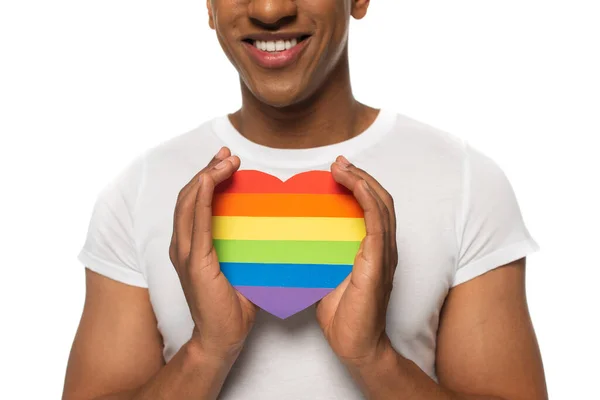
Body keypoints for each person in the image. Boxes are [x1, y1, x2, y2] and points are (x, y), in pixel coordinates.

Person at [63, 1, 548, 399]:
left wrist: (373, 358)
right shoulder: (139, 188)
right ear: (208, 5)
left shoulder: (464, 181)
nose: (270, 9)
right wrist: (207, 351)